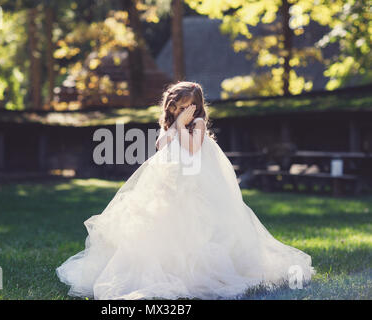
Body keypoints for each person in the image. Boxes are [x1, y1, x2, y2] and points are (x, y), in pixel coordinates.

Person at [56, 81, 315, 300]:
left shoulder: (198, 124)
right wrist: (175, 123)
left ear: (197, 107)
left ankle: (197, 271)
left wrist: (182, 125)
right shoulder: (171, 123)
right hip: (170, 182)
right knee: (162, 225)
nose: (182, 111)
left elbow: (192, 149)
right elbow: (160, 144)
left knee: (197, 225)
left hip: (196, 184)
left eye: (187, 107)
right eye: (177, 107)